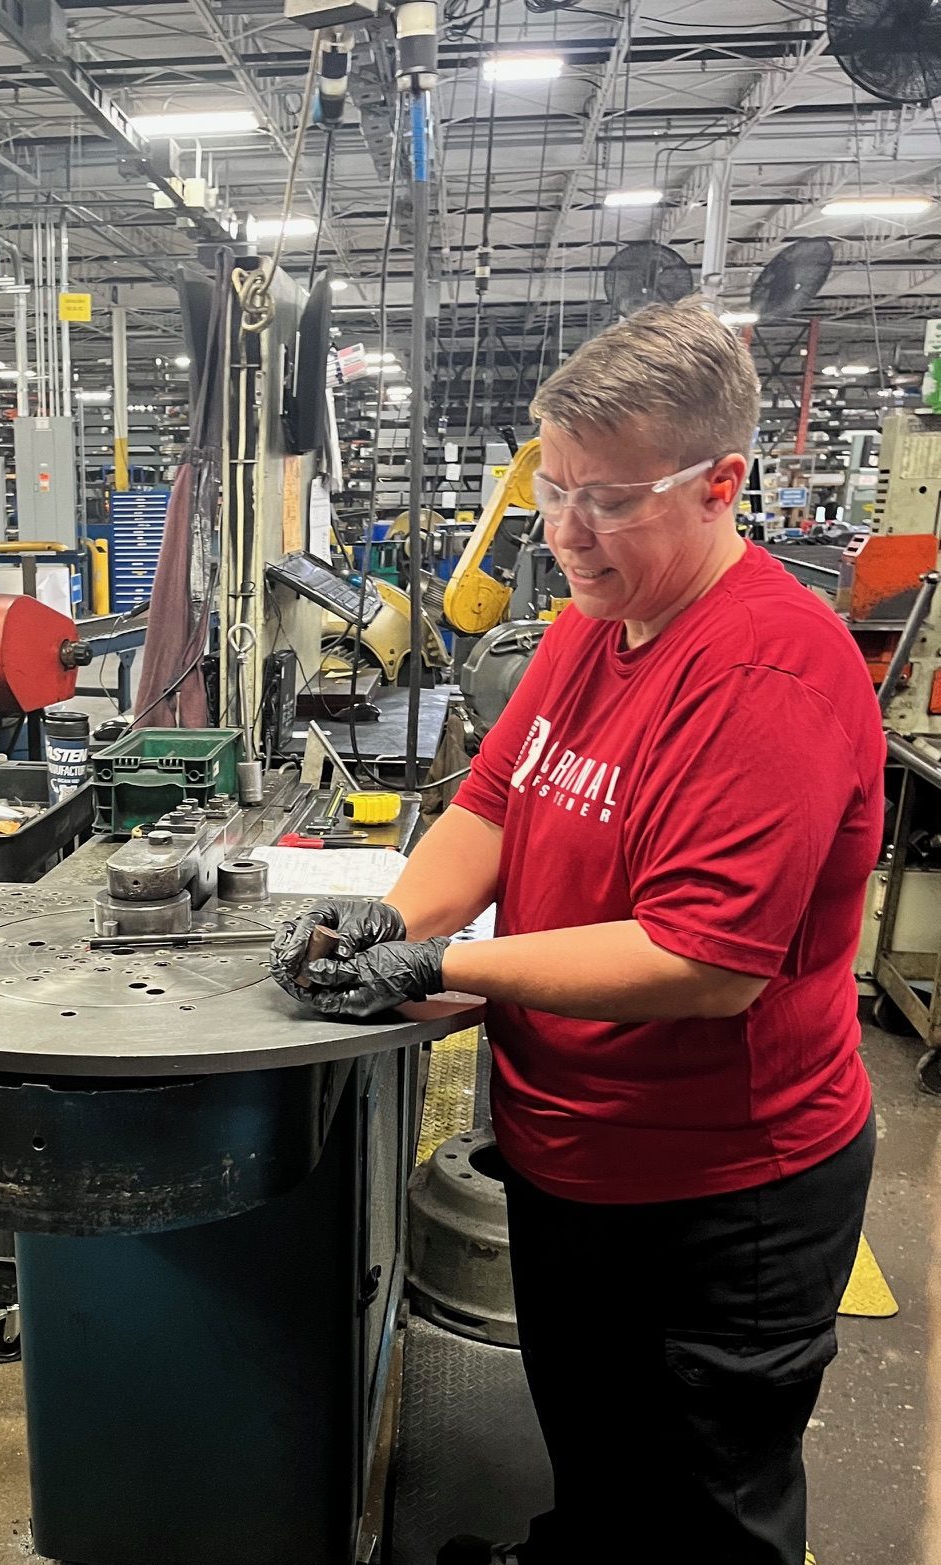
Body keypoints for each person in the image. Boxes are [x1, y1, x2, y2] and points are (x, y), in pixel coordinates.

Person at [272, 298, 883, 1565]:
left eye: (607, 501)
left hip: (721, 1193)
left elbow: (700, 961)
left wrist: (445, 962)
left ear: (723, 483)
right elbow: (492, 801)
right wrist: (392, 910)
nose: (563, 536)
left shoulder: (770, 671)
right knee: (600, 1452)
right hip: (571, 1155)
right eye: (552, 490)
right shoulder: (590, 630)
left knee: (704, 1509)